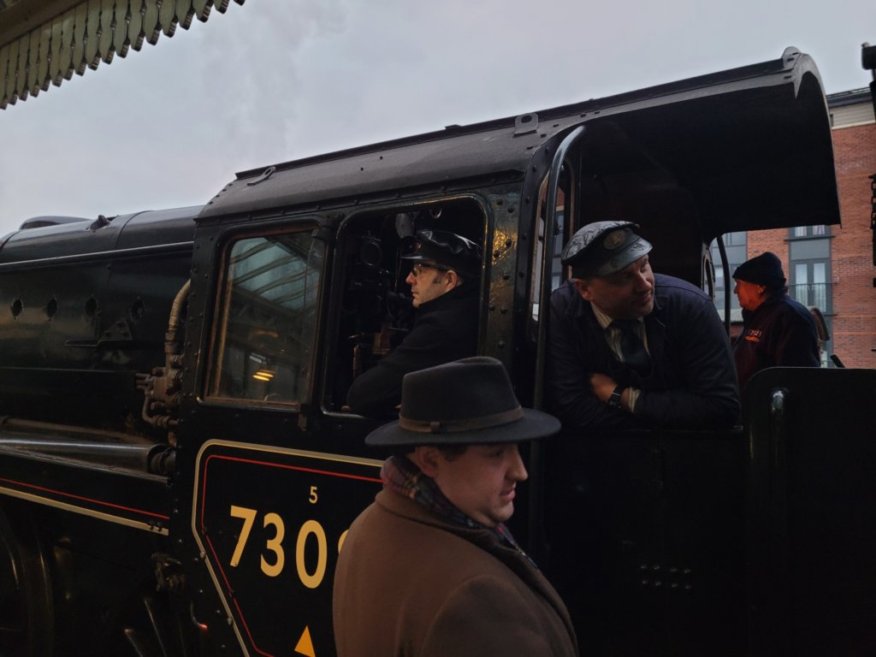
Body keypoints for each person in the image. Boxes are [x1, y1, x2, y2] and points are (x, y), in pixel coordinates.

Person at [333, 357, 579, 657]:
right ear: (431, 460)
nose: (520, 471)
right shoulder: (476, 600)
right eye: (496, 453)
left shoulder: (366, 525)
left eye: (517, 449)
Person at [547, 220, 739, 433]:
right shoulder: (563, 311)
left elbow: (721, 407)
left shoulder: (691, 307)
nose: (645, 284)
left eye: (644, 266)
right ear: (585, 290)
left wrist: (623, 397)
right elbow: (573, 409)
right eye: (624, 277)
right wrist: (668, 420)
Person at [346, 229, 481, 417]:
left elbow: (361, 396)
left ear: (449, 279)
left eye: (419, 270)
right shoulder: (467, 313)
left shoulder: (441, 327)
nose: (409, 279)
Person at [732, 251, 820, 389]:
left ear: (760, 286)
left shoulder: (791, 317)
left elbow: (795, 378)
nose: (735, 290)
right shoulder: (756, 315)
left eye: (739, 283)